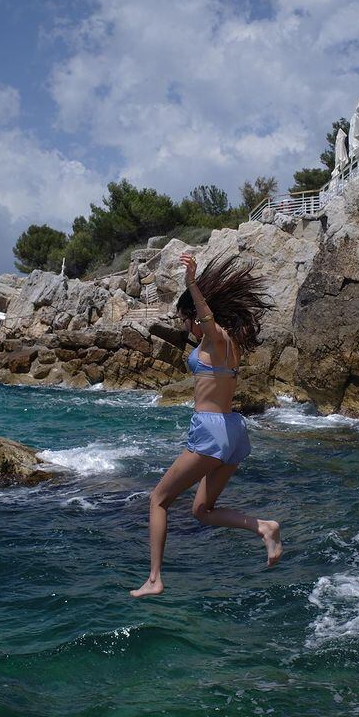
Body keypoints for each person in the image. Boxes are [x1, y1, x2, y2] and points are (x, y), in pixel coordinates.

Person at [130, 252, 282, 598]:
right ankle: (264, 528)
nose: (187, 326)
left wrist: (192, 284)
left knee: (158, 500)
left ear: (195, 317)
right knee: (201, 510)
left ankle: (154, 579)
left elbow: (206, 317)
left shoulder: (215, 338)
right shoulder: (231, 344)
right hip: (233, 430)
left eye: (187, 319)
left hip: (211, 430)